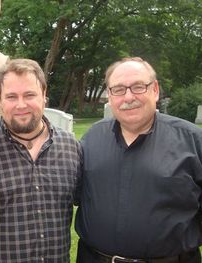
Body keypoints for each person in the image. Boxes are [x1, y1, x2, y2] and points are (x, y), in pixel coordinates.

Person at [75, 57, 202, 262]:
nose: (128, 97)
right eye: (118, 89)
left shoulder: (192, 141)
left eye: (138, 87)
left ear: (155, 90)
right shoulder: (91, 139)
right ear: (109, 95)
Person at [0, 58, 82, 262]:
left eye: (29, 95)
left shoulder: (71, 147)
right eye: (11, 96)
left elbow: (91, 201)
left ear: (44, 95)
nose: (21, 105)